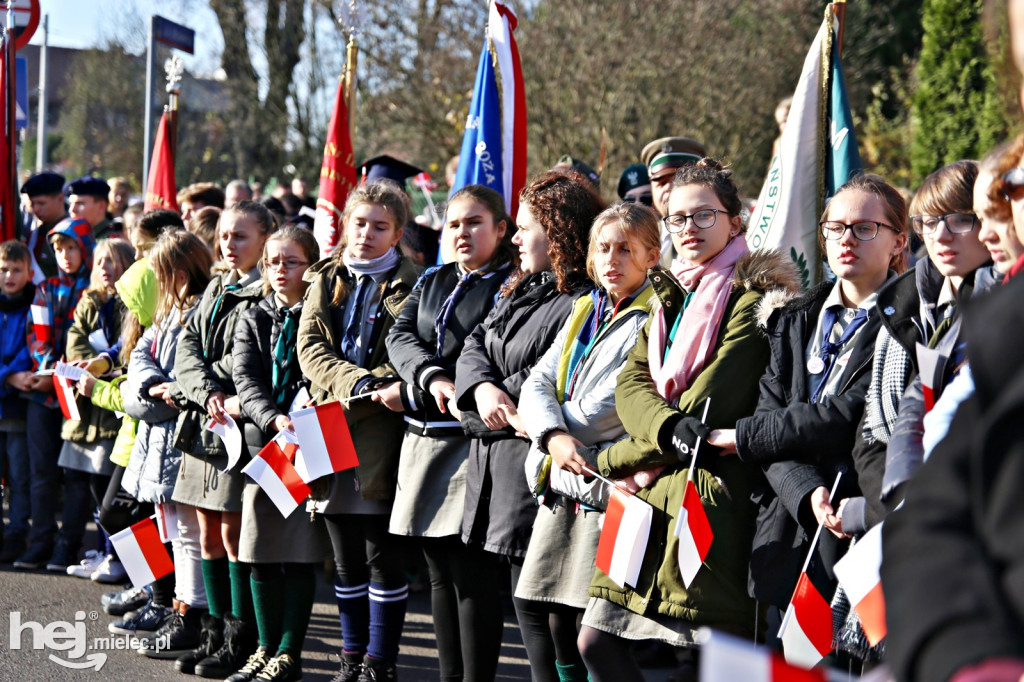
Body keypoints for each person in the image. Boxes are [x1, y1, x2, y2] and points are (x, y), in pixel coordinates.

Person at [576, 159, 800, 680]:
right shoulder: (668, 296)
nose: (688, 230)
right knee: (595, 642)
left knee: (704, 665)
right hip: (648, 499)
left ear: (735, 221)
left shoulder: (755, 298)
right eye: (677, 219)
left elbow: (706, 410)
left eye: (703, 216)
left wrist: (608, 459)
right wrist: (668, 430)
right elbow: (630, 387)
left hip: (710, 500)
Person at [705, 175, 906, 650]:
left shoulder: (909, 322)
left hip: (860, 527)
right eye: (834, 228)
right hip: (789, 530)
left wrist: (746, 436)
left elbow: (851, 416)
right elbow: (771, 416)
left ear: (899, 240)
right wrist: (805, 490)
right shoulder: (794, 317)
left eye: (864, 228)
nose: (845, 239)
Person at [453, 171, 604, 682]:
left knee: (539, 608)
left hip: (530, 465)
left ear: (558, 231)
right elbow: (475, 344)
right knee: (485, 589)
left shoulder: (581, 297)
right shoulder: (524, 284)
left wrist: (497, 393)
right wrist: (481, 391)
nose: (514, 239)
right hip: (490, 457)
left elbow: (547, 374)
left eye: (524, 228)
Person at [513, 201, 660, 682]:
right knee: (551, 613)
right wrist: (551, 435)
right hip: (563, 469)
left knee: (590, 629)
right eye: (603, 249)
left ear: (651, 256)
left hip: (599, 479)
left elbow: (608, 406)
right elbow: (536, 382)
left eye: (626, 249)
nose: (612, 260)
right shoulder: (585, 307)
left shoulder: (653, 316)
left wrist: (547, 435)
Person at [385, 184, 516, 682]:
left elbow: (487, 355)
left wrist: (452, 383)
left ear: (500, 229)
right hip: (423, 436)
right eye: (455, 223)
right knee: (438, 570)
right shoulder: (435, 278)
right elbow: (400, 336)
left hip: (473, 441)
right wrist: (429, 377)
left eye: (475, 222)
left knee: (472, 575)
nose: (462, 232)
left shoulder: (510, 285)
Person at [297, 180, 422, 682]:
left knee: (380, 554)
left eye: (380, 227)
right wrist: (358, 381)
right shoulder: (325, 277)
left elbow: (410, 352)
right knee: (344, 557)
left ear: (396, 235)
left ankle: (380, 661)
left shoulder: (417, 283)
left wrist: (376, 387)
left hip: (380, 430)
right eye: (359, 223)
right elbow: (311, 349)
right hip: (327, 422)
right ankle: (350, 657)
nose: (366, 234)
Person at [844, 161, 993, 544]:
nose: (940, 235)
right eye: (927, 221)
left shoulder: (1003, 310)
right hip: (902, 523)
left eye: (960, 219)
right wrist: (892, 509)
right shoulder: (903, 304)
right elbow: (871, 436)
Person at [172, 201, 274, 677]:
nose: (229, 245)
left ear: (264, 239)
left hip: (236, 427)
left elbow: (243, 364)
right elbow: (186, 349)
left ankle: (240, 638)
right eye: (225, 236)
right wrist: (205, 389)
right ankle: (213, 633)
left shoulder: (264, 294)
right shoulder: (215, 284)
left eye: (241, 237)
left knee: (234, 536)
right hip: (204, 420)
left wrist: (214, 386)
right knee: (206, 533)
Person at [227, 226, 329, 682]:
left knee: (299, 553)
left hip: (309, 446)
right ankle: (264, 648)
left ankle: (289, 654)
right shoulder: (254, 315)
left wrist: (308, 403)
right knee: (261, 552)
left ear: (311, 266)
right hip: (266, 447)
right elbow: (244, 378)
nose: (280, 270)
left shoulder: (325, 312)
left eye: (291, 261)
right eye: (273, 262)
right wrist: (271, 417)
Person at [109, 231, 215, 660]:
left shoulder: (201, 308)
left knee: (190, 534)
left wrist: (160, 391)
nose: (154, 279)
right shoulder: (168, 311)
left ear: (179, 270)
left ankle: (188, 613)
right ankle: (173, 605)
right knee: (174, 529)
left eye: (158, 271)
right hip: (157, 440)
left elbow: (187, 378)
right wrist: (151, 386)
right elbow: (141, 357)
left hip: (180, 439)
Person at [13, 218, 96, 570]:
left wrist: (68, 376)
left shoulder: (95, 290)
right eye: (58, 249)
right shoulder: (45, 289)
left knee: (77, 475)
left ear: (86, 249)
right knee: (41, 473)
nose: (64, 255)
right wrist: (49, 373)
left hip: (84, 394)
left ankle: (68, 545)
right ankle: (40, 542)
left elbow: (93, 343)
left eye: (72, 248)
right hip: (46, 395)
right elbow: (38, 338)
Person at [57, 238, 135, 577]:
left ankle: (120, 558)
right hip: (85, 411)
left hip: (111, 411)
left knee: (111, 493)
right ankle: (105, 552)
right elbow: (75, 345)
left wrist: (99, 361)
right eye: (100, 260)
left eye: (114, 261)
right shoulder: (87, 302)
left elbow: (125, 351)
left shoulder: (130, 306)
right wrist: (91, 359)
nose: (105, 267)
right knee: (91, 488)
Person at [0, 241, 36, 564]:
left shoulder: (34, 304)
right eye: (3, 269)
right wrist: (6, 376)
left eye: (16, 270)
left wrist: (13, 374)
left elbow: (32, 348)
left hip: (19, 406)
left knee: (20, 474)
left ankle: (17, 532)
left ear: (29, 272)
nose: (9, 276)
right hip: (4, 391)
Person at [639, 137, 708, 266]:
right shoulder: (643, 238)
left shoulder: (719, 233)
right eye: (662, 182)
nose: (668, 187)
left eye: (678, 180)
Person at [19, 171, 66, 281]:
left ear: (60, 199)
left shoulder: (72, 233)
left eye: (41, 203)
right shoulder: (35, 232)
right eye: (33, 204)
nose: (36, 209)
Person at [65, 176, 118, 241]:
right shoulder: (76, 239)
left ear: (101, 206)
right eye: (70, 204)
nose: (72, 210)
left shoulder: (110, 243)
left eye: (79, 204)